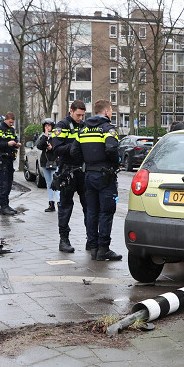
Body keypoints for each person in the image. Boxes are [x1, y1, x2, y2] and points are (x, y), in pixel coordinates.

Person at [78, 99, 123, 261]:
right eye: (110, 111)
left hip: (89, 175)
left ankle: (94, 248)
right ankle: (104, 248)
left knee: (92, 212)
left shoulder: (83, 130)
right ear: (106, 112)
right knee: (106, 211)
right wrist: (115, 162)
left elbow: (75, 151)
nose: (111, 114)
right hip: (105, 176)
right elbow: (111, 148)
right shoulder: (108, 129)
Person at [50, 101, 87, 253]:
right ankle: (63, 240)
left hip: (83, 171)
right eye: (78, 114)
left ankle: (91, 239)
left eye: (82, 115)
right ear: (71, 111)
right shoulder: (61, 126)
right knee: (65, 206)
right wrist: (74, 147)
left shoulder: (84, 126)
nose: (80, 118)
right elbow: (57, 148)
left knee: (89, 206)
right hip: (67, 171)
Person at [0, 112, 20, 216]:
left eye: (12, 122)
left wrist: (16, 144)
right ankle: (3, 207)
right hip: (2, 159)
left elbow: (15, 139)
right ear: (5, 119)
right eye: (10, 122)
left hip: (10, 158)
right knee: (3, 184)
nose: (11, 124)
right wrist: (7, 143)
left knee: (9, 183)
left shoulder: (11, 130)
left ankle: (6, 205)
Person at [34, 118, 57, 213]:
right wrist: (45, 136)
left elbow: (59, 146)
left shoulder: (56, 135)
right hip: (45, 162)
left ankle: (59, 202)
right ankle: (51, 203)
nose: (47, 128)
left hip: (55, 161)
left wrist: (52, 147)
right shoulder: (43, 136)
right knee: (49, 183)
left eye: (49, 126)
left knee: (56, 182)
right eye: (45, 126)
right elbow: (39, 146)